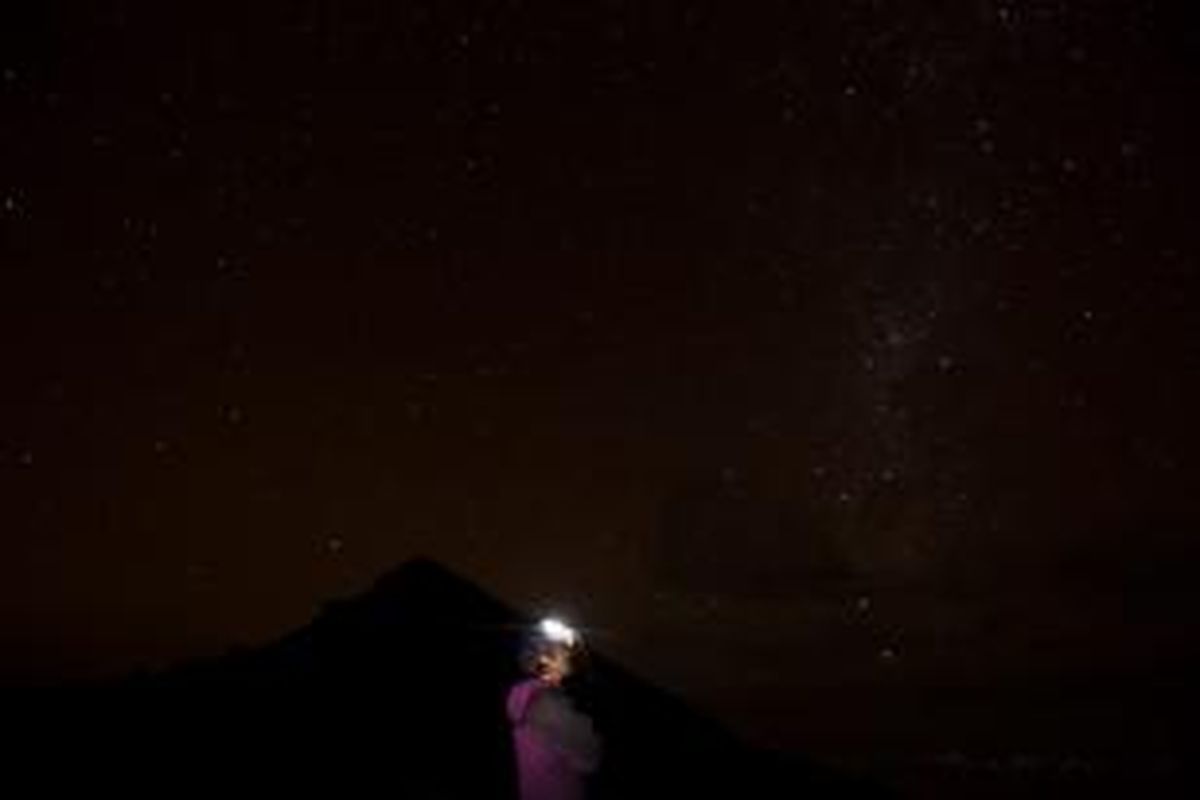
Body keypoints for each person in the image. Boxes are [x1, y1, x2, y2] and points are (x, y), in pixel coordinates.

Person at [507, 620, 602, 800]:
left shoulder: (534, 698)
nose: (568, 654)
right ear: (544, 658)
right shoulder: (546, 705)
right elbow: (591, 758)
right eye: (563, 650)